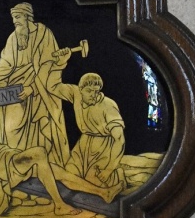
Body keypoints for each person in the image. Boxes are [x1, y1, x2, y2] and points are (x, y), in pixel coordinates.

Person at [50, 62, 163, 200]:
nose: (93, 95)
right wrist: (59, 63)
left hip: (104, 146)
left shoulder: (108, 106)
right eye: (89, 91)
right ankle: (108, 187)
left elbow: (119, 139)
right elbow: (52, 87)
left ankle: (118, 176)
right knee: (68, 176)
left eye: (96, 91)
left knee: (94, 179)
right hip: (83, 145)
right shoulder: (75, 94)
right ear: (81, 89)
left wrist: (109, 168)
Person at [0, 2, 69, 166]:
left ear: (28, 17)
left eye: (18, 17)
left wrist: (32, 88)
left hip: (39, 88)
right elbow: (5, 62)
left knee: (42, 127)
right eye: (13, 18)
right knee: (10, 127)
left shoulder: (44, 34)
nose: (15, 22)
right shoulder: (13, 38)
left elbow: (49, 65)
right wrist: (0, 81)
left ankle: (40, 166)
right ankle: (18, 165)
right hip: (14, 90)